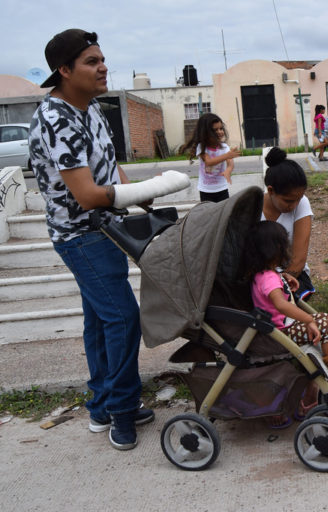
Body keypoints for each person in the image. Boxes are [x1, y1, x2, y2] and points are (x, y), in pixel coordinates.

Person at [28, 29, 158, 451]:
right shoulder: (56, 119)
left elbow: (111, 170)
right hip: (80, 236)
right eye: (90, 61)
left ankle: (102, 405)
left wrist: (141, 198)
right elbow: (85, 195)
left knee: (101, 322)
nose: (102, 67)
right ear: (64, 71)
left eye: (102, 59)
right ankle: (121, 408)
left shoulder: (94, 109)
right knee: (122, 318)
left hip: (107, 230)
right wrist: (139, 191)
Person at [244, 220, 328, 427]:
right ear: (275, 249)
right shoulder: (268, 279)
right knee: (324, 323)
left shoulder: (264, 275)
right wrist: (307, 319)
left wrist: (285, 277)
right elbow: (280, 305)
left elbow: (273, 289)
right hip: (281, 331)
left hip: (282, 327)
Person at [261, 147, 316, 300]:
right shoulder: (252, 207)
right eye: (288, 201)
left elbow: (298, 260)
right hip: (260, 276)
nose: (294, 205)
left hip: (291, 275)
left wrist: (280, 284)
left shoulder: (302, 203)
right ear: (271, 191)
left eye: (299, 199)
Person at [181, 113, 240, 202]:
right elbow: (208, 162)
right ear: (205, 133)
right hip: (206, 190)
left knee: (222, 213)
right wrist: (227, 155)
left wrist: (228, 170)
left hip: (222, 188)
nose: (220, 132)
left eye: (221, 128)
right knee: (209, 213)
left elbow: (230, 163)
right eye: (215, 130)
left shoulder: (224, 147)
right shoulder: (201, 147)